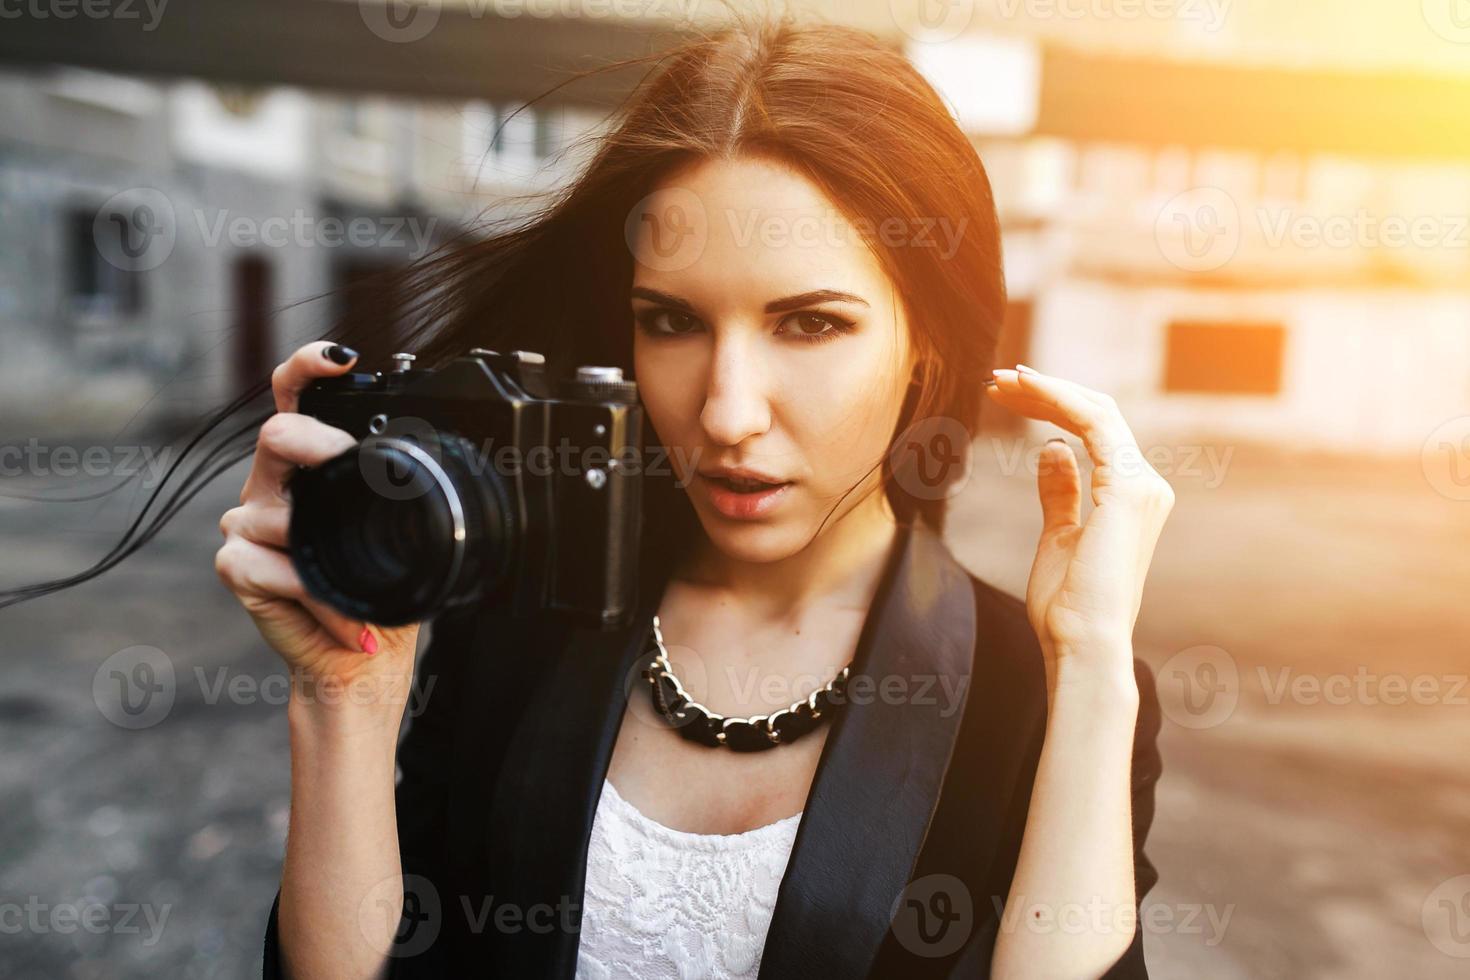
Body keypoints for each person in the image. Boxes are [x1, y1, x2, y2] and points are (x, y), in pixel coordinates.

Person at [213, 15, 1174, 979]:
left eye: (808, 324)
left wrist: (1091, 670)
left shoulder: (1034, 688)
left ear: (924, 344)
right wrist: (343, 700)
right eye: (671, 321)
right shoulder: (516, 613)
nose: (725, 413)